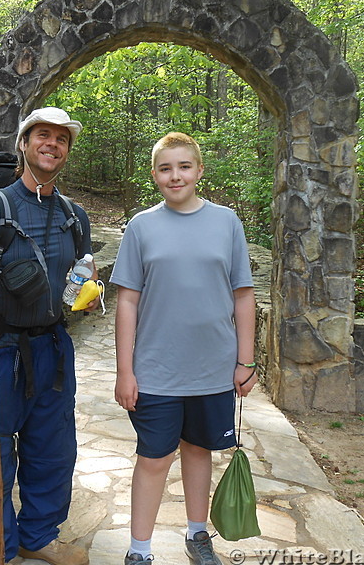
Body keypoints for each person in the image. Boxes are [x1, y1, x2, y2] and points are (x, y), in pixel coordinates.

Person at [0, 107, 97, 565]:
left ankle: (39, 536)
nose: (52, 144)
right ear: (24, 144)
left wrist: (87, 296)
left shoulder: (76, 216)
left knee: (52, 449)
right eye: (42, 136)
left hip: (52, 346)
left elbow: (81, 274)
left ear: (67, 151)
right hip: (0, 350)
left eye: (61, 139)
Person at [110, 132, 257, 565]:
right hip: (156, 369)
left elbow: (243, 294)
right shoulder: (141, 227)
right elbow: (127, 301)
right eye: (165, 168)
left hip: (213, 368)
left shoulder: (227, 222)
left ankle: (197, 535)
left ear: (199, 170)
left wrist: (245, 361)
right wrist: (125, 371)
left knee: (199, 450)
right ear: (155, 175)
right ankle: (139, 551)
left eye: (184, 166)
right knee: (154, 458)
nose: (175, 175)